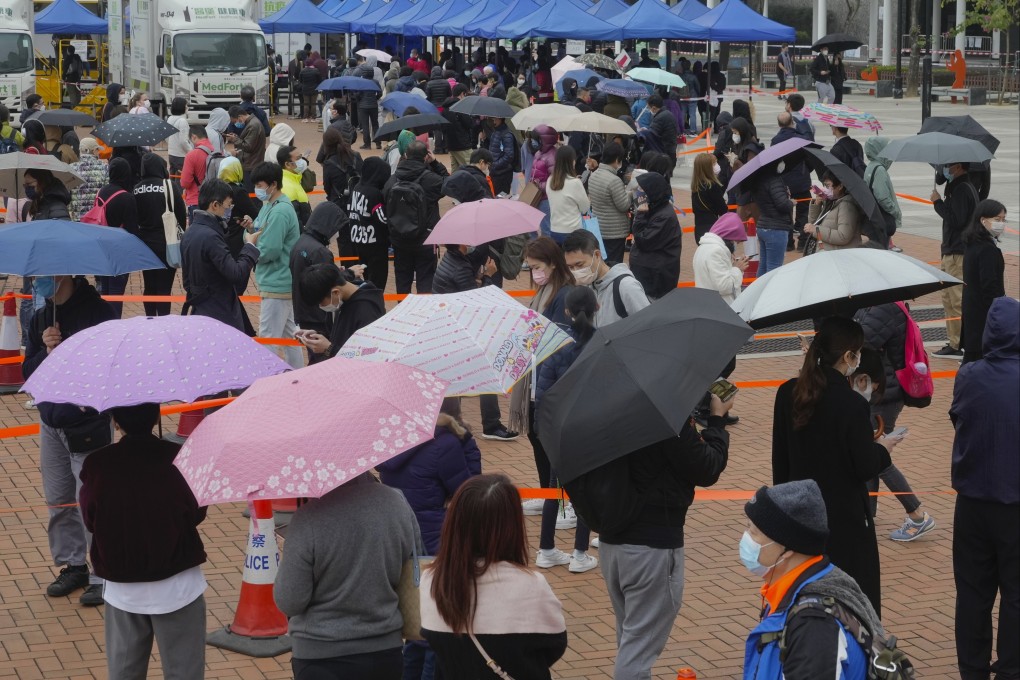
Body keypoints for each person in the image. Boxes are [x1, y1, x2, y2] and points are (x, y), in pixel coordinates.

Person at [596, 389, 732, 680]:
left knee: (632, 638)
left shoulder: (609, 409)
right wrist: (717, 422)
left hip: (613, 542)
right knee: (637, 651)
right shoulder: (664, 414)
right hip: (651, 547)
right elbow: (706, 467)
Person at [772, 316, 901, 616]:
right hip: (845, 523)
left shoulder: (787, 394)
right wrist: (882, 449)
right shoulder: (851, 404)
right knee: (852, 606)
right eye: (856, 353)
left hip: (800, 516)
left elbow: (781, 460)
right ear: (848, 356)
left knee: (802, 602)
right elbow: (864, 466)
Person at [78, 403, 208, 680]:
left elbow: (91, 521)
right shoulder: (179, 457)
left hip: (122, 587)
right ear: (156, 415)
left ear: (115, 421)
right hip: (178, 586)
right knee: (185, 672)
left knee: (124, 673)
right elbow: (197, 511)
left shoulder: (97, 464)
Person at [22, 274, 115, 607]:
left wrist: (66, 350)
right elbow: (27, 373)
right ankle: (73, 564)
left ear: (64, 276)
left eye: (44, 277)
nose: (37, 283)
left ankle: (104, 574)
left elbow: (107, 369)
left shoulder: (99, 315)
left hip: (87, 423)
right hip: (51, 423)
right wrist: (46, 352)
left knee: (93, 501)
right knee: (59, 500)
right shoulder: (40, 317)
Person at [275, 470, 419, 680]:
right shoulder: (396, 502)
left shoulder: (308, 518)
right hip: (386, 650)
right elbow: (414, 562)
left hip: (321, 653)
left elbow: (290, 601)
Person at [420, 474, 568, 679]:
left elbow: (435, 643)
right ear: (511, 526)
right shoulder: (531, 585)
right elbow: (555, 644)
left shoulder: (431, 580)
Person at [740, 480, 885, 679]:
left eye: (754, 532)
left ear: (787, 550)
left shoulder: (814, 628)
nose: (746, 539)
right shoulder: (797, 591)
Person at [949, 296, 1019, 680]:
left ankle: (972, 669)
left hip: (973, 500)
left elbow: (958, 419)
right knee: (1016, 594)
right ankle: (1011, 668)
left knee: (973, 594)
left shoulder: (969, 375)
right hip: (1015, 501)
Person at [853, 301, 937, 542]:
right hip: (876, 388)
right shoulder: (875, 302)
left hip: (885, 392)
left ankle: (917, 514)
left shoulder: (884, 306)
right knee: (871, 449)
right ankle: (866, 512)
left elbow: (862, 341)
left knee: (876, 454)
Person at [533, 286, 600, 574]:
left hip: (559, 430)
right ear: (596, 308)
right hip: (590, 428)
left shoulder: (556, 346)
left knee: (554, 489)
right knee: (588, 491)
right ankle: (579, 553)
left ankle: (546, 549)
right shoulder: (601, 344)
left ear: (567, 312)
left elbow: (543, 392)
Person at [180, 179, 260, 333]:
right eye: (228, 206)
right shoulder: (211, 237)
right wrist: (249, 246)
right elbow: (236, 273)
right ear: (215, 205)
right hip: (220, 313)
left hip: (199, 310)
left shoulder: (189, 233)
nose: (229, 210)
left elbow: (187, 281)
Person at [250, 161, 303, 368]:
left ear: (273, 184)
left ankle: (266, 379)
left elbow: (268, 249)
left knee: (269, 338)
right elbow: (257, 231)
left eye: (260, 185)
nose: (258, 189)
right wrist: (251, 236)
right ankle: (298, 376)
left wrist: (250, 246)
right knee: (290, 336)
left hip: (277, 281)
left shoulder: (279, 211)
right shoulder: (270, 206)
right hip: (279, 279)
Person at [383, 140, 448, 294]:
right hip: (425, 239)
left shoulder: (393, 179)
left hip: (399, 239)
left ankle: (403, 313)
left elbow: (385, 196)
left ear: (405, 155)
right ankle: (423, 316)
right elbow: (448, 183)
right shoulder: (430, 179)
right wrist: (436, 164)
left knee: (402, 281)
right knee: (426, 282)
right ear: (426, 157)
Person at [931, 161, 979, 359]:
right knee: (949, 298)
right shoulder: (961, 186)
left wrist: (937, 203)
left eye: (948, 165)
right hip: (952, 249)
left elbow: (956, 220)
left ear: (958, 166)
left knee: (956, 299)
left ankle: (962, 343)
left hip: (957, 251)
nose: (946, 169)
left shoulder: (962, 189)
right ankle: (955, 341)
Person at [132, 153, 186, 316]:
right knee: (164, 287)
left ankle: (150, 319)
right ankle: (163, 322)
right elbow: (181, 216)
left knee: (149, 285)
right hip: (167, 243)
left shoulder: (136, 189)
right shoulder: (169, 186)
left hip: (144, 244)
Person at [296, 263, 385, 359]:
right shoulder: (343, 300)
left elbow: (368, 354)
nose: (320, 306)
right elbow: (341, 334)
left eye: (321, 302)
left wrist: (329, 349)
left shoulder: (367, 311)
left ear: (335, 292)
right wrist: (317, 335)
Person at [289, 203, 342, 363]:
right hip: (319, 315)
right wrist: (347, 274)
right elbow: (327, 281)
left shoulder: (301, 242)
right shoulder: (320, 251)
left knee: (313, 356)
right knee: (321, 359)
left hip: (304, 311)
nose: (336, 233)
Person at [563, 230, 649, 327]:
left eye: (579, 264)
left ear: (597, 255)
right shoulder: (586, 285)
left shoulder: (626, 287)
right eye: (570, 267)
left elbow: (648, 326)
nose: (576, 271)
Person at [961, 199, 1007, 365]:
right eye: (997, 219)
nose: (1001, 224)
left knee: (972, 362)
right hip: (984, 316)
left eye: (1003, 220)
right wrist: (999, 312)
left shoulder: (973, 244)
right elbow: (990, 286)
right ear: (983, 220)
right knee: (982, 363)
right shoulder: (987, 248)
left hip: (973, 313)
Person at [93, 158, 139, 319]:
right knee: (116, 293)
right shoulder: (126, 197)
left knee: (105, 290)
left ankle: (104, 324)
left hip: (102, 247)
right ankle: (113, 324)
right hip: (119, 251)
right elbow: (132, 230)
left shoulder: (101, 192)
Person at [630, 172, 681, 299]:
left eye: (642, 189)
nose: (639, 193)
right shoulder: (653, 208)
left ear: (652, 191)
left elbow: (643, 240)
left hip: (656, 278)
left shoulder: (663, 216)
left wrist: (640, 215)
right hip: (648, 273)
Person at [346, 156, 392, 292]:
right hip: (375, 243)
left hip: (358, 241)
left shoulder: (357, 187)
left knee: (363, 278)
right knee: (377, 280)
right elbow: (382, 219)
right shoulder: (374, 193)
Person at [771, 112, 812, 251]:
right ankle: (802, 242)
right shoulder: (800, 139)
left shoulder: (775, 140)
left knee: (786, 213)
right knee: (803, 213)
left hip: (783, 182)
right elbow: (809, 159)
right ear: (792, 123)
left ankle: (788, 243)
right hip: (801, 180)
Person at [587, 143, 631, 264]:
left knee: (601, 264)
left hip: (599, 228)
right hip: (614, 231)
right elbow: (624, 205)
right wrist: (630, 192)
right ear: (617, 160)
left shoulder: (594, 175)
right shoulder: (614, 180)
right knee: (613, 265)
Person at [693, 212, 749, 305]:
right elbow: (724, 286)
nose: (735, 245)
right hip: (719, 307)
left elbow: (715, 277)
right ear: (729, 237)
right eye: (736, 241)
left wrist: (732, 265)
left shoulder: (703, 247)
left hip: (708, 303)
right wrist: (738, 269)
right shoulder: (716, 252)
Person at [752, 163, 795, 275]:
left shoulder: (759, 180)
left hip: (763, 225)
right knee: (774, 268)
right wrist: (791, 202)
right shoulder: (774, 180)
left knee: (764, 265)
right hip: (776, 228)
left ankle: (759, 291)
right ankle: (771, 292)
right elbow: (782, 205)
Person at [804, 171, 863, 251]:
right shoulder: (831, 202)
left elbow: (843, 236)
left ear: (840, 186)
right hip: (827, 252)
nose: (825, 189)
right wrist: (817, 204)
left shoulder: (846, 206)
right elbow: (814, 223)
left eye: (828, 186)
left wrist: (816, 230)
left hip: (839, 256)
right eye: (824, 185)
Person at [863, 137, 901, 251]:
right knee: (880, 250)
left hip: (874, 218)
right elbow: (883, 197)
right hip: (881, 219)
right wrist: (895, 211)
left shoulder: (870, 166)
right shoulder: (879, 170)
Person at [546, 146, 589, 245]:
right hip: (573, 232)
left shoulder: (550, 180)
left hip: (554, 230)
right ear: (571, 161)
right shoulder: (575, 183)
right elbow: (585, 208)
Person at [690, 153, 729, 244]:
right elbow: (723, 209)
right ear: (708, 168)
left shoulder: (696, 186)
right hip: (712, 228)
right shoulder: (711, 185)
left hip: (699, 228)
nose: (717, 166)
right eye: (714, 163)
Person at [68, 138, 108, 221]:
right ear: (93, 151)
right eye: (97, 149)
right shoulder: (105, 167)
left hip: (77, 219)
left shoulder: (71, 168)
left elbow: (67, 194)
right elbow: (107, 192)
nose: (98, 152)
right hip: (97, 218)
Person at [226, 105, 267, 183]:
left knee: (250, 192)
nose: (235, 124)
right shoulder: (251, 123)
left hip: (251, 165)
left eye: (235, 121)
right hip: (251, 163)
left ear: (240, 117)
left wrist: (235, 139)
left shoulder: (253, 125)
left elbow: (248, 146)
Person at [181, 126, 213, 219]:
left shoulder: (192, 155)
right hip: (214, 199)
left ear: (194, 137)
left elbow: (185, 183)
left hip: (196, 200)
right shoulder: (216, 151)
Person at [276, 145, 311, 227]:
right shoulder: (286, 187)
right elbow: (295, 222)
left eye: (301, 157)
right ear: (287, 164)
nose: (302, 161)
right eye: (298, 158)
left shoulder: (294, 178)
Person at [442, 84, 475, 171]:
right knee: (470, 170)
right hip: (463, 144)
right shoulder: (461, 107)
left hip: (450, 144)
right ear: (462, 94)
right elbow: (469, 124)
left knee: (455, 171)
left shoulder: (446, 108)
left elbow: (443, 126)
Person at [645, 94, 678, 175]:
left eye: (649, 108)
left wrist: (644, 131)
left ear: (654, 108)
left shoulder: (660, 117)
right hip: (670, 152)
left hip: (663, 153)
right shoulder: (667, 113)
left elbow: (652, 135)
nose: (649, 110)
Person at [357, 56, 383, 150]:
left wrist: (359, 99)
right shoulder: (375, 82)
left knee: (365, 125)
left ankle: (367, 144)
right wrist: (375, 98)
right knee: (375, 124)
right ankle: (378, 143)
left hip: (363, 106)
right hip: (373, 105)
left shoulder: (361, 82)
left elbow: (358, 94)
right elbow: (380, 93)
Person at [486, 116, 516, 196]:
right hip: (495, 172)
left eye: (493, 118)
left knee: (501, 199)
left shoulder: (506, 134)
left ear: (500, 118)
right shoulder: (495, 132)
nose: (491, 120)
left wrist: (495, 164)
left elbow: (509, 156)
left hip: (503, 173)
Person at [166, 97, 192, 179]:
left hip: (171, 154)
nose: (187, 107)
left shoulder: (169, 119)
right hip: (181, 156)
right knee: (180, 180)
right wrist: (191, 151)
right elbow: (183, 141)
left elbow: (166, 137)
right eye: (186, 105)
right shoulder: (182, 121)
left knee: (172, 177)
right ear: (182, 107)